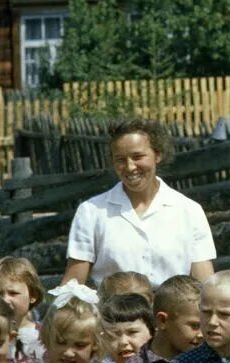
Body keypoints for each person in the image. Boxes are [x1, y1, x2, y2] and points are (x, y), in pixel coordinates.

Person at [59, 118, 217, 292]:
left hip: (174, 315)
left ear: (158, 155)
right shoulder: (92, 212)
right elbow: (73, 284)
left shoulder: (189, 211)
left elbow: (205, 282)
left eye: (138, 157)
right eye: (120, 159)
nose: (130, 167)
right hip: (114, 315)